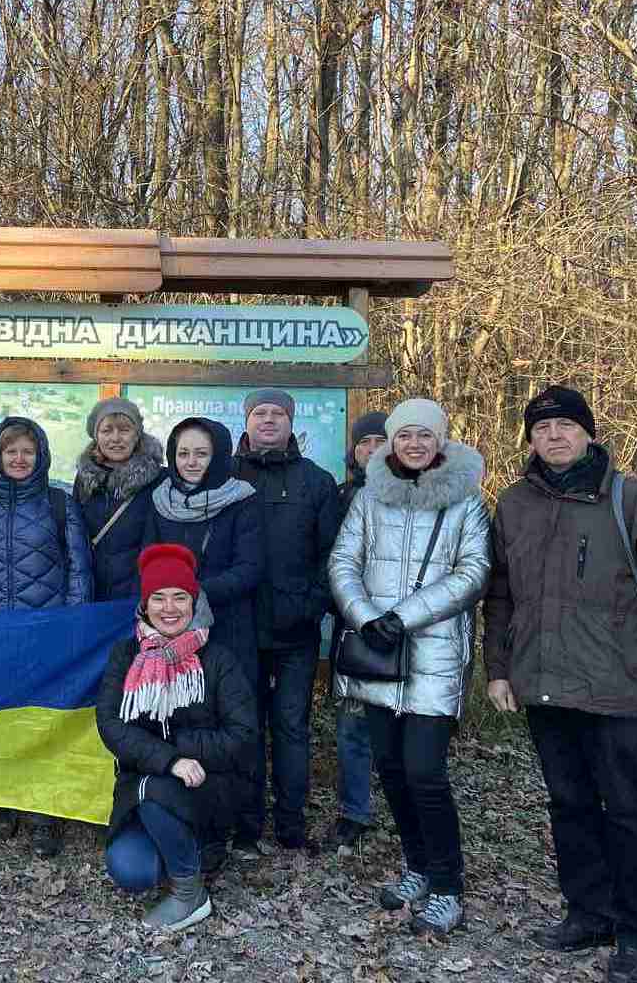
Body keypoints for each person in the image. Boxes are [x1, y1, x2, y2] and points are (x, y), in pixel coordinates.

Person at [483, 386, 637, 983]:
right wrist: (499, 669)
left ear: (587, 432)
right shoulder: (514, 504)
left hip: (623, 690)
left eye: (564, 425)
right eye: (541, 428)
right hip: (544, 685)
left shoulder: (633, 500)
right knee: (570, 804)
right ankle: (589, 911)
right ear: (528, 440)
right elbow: (500, 595)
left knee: (629, 811)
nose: (553, 436)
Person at [329, 398, 490, 937]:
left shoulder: (466, 501)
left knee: (425, 771)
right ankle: (416, 865)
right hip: (378, 653)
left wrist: (404, 617)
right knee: (391, 769)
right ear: (392, 443)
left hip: (436, 655)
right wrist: (367, 615)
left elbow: (474, 572)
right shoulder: (369, 498)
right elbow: (343, 561)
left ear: (440, 441)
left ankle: (447, 884)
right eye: (404, 436)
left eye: (424, 435)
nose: (414, 444)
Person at [97, 544, 257, 932]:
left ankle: (190, 894)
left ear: (194, 600)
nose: (169, 608)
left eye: (180, 597)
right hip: (145, 784)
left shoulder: (218, 659)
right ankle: (184, 852)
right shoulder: (125, 654)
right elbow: (111, 725)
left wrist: (182, 753)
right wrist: (168, 760)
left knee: (154, 792)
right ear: (145, 604)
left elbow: (242, 732)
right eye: (159, 598)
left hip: (208, 785)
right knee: (130, 869)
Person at [0, 415, 95, 857]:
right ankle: (5, 798)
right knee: (0, 718)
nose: (19, 459)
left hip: (46, 631)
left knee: (44, 721)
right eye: (10, 451)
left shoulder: (60, 503)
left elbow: (79, 568)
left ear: (41, 457)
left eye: (27, 452)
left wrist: (72, 627)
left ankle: (43, 812)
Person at [139, 415, 263, 867]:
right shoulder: (159, 501)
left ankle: (245, 827)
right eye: (183, 453)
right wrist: (167, 609)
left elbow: (251, 568)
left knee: (230, 728)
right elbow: (147, 562)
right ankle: (197, 824)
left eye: (201, 453)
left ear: (218, 457)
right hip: (170, 634)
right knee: (181, 724)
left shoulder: (242, 500)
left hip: (226, 632)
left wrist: (193, 598)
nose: (191, 462)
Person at [233, 388, 340, 855]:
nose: (269, 420)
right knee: (245, 726)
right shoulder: (226, 475)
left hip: (296, 631)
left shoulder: (316, 482)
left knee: (292, 726)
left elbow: (331, 555)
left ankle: (291, 824)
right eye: (261, 413)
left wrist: (312, 603)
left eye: (278, 413)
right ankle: (247, 823)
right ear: (248, 422)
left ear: (292, 423)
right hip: (237, 630)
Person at [323, 411, 388, 850]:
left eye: (381, 441)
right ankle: (355, 811)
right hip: (354, 625)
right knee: (353, 724)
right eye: (365, 443)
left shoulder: (420, 495)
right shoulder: (341, 496)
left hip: (410, 625)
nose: (372, 450)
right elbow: (329, 556)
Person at [74, 398, 165, 602]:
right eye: (107, 430)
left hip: (140, 596)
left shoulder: (158, 480)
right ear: (96, 436)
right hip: (92, 595)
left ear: (137, 435)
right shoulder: (84, 479)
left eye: (124, 430)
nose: (116, 438)